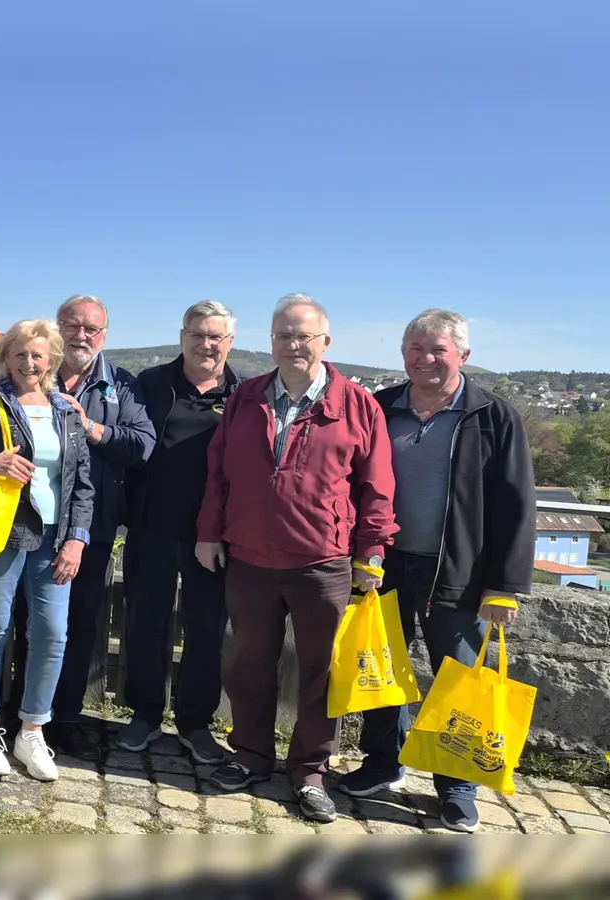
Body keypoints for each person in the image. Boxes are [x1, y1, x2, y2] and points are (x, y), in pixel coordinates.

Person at [195, 294, 397, 824]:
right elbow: (219, 472)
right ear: (272, 342)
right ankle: (251, 756)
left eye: (303, 335)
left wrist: (371, 551)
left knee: (321, 671)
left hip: (323, 561)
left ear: (325, 342)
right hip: (251, 557)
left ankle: (309, 771)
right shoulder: (247, 399)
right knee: (248, 663)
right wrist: (209, 533)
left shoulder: (358, 405)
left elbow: (376, 487)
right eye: (283, 334)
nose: (293, 344)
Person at [339, 309, 535, 833]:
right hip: (384, 565)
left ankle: (458, 788)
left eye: (438, 350)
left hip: (462, 572)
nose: (425, 359)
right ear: (402, 354)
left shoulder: (493, 416)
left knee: (459, 678)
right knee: (383, 670)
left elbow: (518, 505)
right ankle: (384, 763)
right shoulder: (380, 408)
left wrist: (505, 587)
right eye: (415, 349)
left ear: (463, 356)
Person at [0, 319, 95, 782]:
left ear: (52, 360)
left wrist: (77, 537)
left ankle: (32, 729)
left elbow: (82, 481)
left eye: (38, 355)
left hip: (55, 541)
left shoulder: (67, 410)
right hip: (3, 533)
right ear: (7, 357)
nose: (30, 364)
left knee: (52, 633)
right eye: (21, 355)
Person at [119, 301, 243, 763]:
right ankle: (145, 715)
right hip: (151, 527)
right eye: (198, 333)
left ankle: (195, 722)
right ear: (182, 335)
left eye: (216, 336)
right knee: (144, 623)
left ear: (229, 342)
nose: (206, 343)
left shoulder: (244, 395)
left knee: (207, 630)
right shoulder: (151, 384)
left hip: (213, 538)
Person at [47, 295, 155, 759]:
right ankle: (24, 712)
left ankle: (66, 719)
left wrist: (91, 428)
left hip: (94, 525)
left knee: (79, 625)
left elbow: (143, 444)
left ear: (104, 335)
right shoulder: (34, 372)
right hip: (35, 521)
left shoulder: (123, 385)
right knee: (28, 622)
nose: (81, 335)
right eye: (72, 325)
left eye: (92, 328)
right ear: (58, 327)